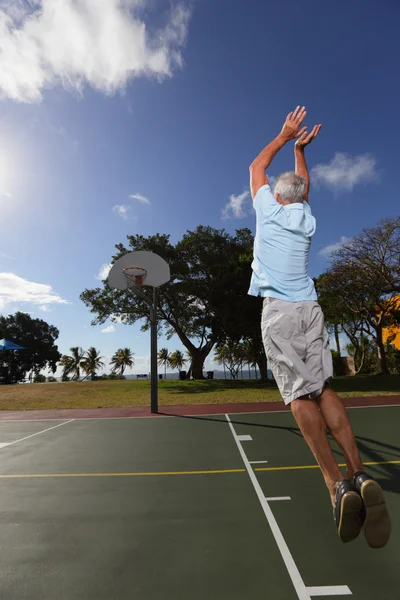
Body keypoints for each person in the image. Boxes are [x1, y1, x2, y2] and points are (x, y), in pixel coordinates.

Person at [248, 106, 391, 548]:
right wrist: (300, 151)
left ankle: (335, 486)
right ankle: (360, 473)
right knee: (324, 389)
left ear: (277, 196)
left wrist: (283, 134)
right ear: (302, 197)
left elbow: (256, 166)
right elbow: (301, 187)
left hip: (281, 313)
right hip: (311, 309)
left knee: (298, 395)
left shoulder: (270, 213)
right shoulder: (306, 220)